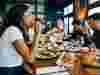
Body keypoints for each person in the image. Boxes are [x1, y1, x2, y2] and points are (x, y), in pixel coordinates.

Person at [0, 4, 34, 75]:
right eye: (30, 14)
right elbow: (30, 59)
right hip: (9, 70)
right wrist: (38, 33)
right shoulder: (13, 30)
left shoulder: (14, 29)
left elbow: (19, 56)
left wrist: (28, 69)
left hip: (14, 67)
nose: (33, 17)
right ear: (21, 16)